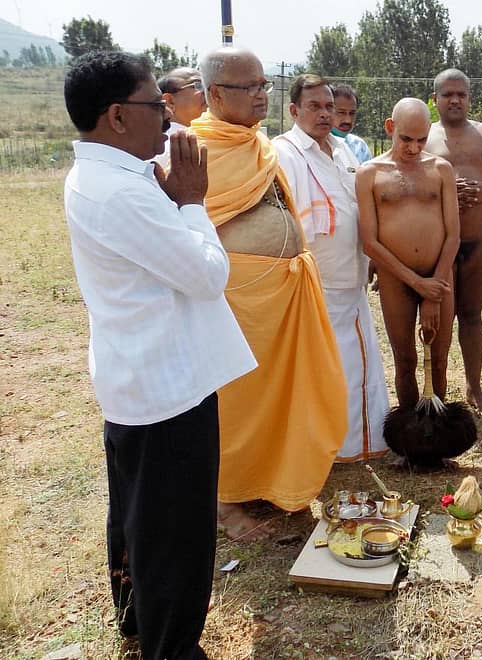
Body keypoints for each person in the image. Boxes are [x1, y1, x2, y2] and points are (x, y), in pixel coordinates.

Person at [63, 51, 256, 659]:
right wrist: (193, 200)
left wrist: (173, 198)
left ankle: (140, 625)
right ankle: (171, 648)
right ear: (118, 117)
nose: (171, 123)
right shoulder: (120, 193)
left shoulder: (105, 178)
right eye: (158, 106)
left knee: (140, 522)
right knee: (175, 534)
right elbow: (206, 276)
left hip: (143, 379)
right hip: (168, 389)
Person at [192, 48, 348, 540]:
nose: (264, 94)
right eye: (251, 87)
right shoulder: (194, 148)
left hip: (285, 294)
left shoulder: (257, 145)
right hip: (237, 299)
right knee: (237, 401)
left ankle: (277, 485)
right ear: (216, 94)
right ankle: (227, 501)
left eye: (265, 85)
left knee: (284, 396)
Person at [274, 74, 390, 463]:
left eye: (328, 106)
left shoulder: (343, 150)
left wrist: (371, 252)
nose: (324, 114)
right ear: (293, 111)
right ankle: (327, 446)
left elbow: (359, 205)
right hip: (315, 280)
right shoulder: (284, 152)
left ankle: (358, 442)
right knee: (326, 366)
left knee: (357, 361)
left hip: (352, 273)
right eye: (314, 107)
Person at [356, 98, 460, 414]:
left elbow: (453, 234)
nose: (413, 148)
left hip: (439, 276)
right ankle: (411, 437)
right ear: (391, 128)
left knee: (440, 359)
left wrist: (434, 291)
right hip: (395, 280)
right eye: (406, 139)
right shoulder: (369, 174)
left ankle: (436, 436)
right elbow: (370, 243)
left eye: (421, 140)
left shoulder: (441, 169)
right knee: (405, 359)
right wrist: (417, 283)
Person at [425, 68, 482, 414]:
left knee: (472, 314)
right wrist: (445, 193)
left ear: (470, 98)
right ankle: (436, 388)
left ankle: (474, 387)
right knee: (439, 319)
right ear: (434, 100)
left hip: (481, 239)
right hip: (438, 243)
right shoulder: (425, 136)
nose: (454, 100)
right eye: (447, 94)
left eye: (461, 94)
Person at [155, 67, 207, 170]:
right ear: (170, 101)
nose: (207, 91)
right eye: (199, 85)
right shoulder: (164, 149)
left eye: (207, 85)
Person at [331, 83, 373, 163]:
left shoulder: (359, 146)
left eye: (352, 113)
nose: (348, 120)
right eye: (341, 112)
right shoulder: (317, 145)